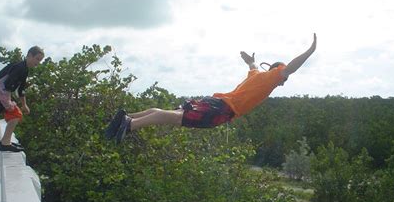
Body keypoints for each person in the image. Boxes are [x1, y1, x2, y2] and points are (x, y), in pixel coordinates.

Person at [105, 33, 317, 144]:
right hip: (221, 109)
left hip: (216, 102)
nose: (283, 82)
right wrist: (310, 51)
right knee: (174, 118)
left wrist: (251, 61)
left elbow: (252, 67)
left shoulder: (258, 75)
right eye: (283, 78)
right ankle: (129, 124)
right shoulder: (272, 77)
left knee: (175, 114)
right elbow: (291, 67)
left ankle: (125, 116)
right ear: (278, 70)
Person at [0, 46, 45, 152]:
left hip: (0, 94)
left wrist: (24, 105)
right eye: (37, 59)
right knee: (16, 114)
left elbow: (21, 90)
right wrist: (8, 104)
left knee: (16, 113)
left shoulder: (24, 69)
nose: (38, 62)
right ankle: (5, 144)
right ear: (29, 55)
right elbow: (7, 86)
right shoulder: (19, 67)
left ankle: (5, 141)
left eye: (40, 60)